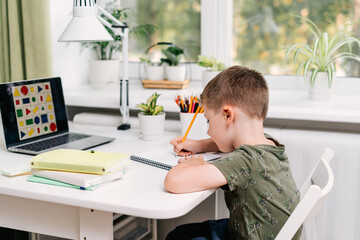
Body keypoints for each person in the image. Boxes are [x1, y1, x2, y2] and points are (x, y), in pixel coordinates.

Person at [164, 65, 302, 240]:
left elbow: (173, 182)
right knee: (180, 234)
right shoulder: (268, 143)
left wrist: (193, 165)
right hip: (267, 233)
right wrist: (197, 145)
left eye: (208, 121)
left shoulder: (244, 161)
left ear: (227, 115)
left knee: (177, 238)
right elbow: (227, 144)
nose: (208, 131)